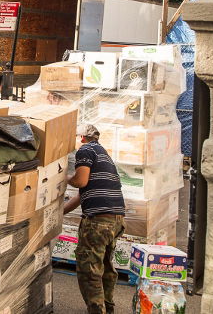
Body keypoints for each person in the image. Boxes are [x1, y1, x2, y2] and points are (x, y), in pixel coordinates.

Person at [64, 124, 126, 314]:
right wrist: (59, 213)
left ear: (82, 137)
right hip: (116, 218)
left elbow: (80, 181)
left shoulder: (85, 150)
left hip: (98, 221)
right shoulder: (102, 153)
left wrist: (64, 177)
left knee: (89, 269)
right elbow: (82, 194)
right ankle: (108, 307)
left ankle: (97, 310)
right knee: (105, 265)